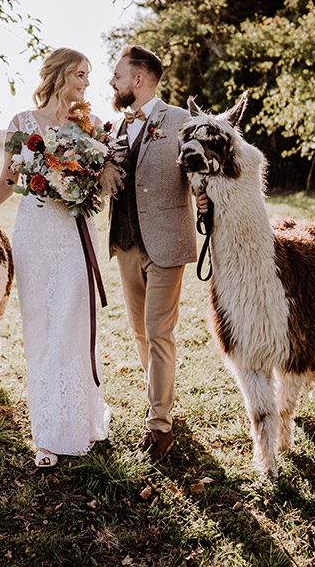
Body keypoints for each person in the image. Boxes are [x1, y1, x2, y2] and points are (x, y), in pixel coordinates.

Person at [0, 47, 110, 468]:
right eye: (80, 73)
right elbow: (7, 182)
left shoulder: (93, 126)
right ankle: (47, 432)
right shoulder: (20, 125)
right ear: (60, 75)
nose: (85, 83)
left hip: (76, 234)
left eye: (88, 76)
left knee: (75, 325)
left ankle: (83, 422)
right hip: (36, 236)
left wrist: (83, 184)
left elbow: (103, 182)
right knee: (42, 328)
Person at [107, 45, 197, 461]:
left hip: (166, 244)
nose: (113, 82)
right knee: (141, 332)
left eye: (118, 75)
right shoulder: (113, 128)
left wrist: (207, 200)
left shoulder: (180, 121)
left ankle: (159, 424)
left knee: (159, 331)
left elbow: (200, 173)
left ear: (138, 80)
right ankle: (161, 398)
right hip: (125, 243)